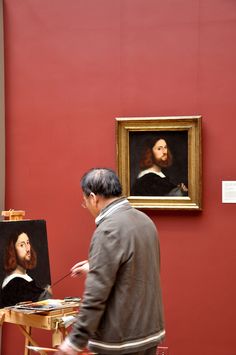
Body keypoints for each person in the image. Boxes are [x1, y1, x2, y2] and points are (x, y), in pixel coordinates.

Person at [56, 168, 165, 355]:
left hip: (122, 340)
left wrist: (75, 341)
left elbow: (96, 294)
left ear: (93, 197)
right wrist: (95, 266)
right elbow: (135, 269)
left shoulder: (108, 229)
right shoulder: (144, 220)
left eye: (85, 202)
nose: (87, 207)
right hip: (149, 331)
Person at [0, 229, 52, 307]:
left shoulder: (25, 278)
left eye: (28, 243)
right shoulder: (14, 283)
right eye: (22, 245)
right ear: (13, 250)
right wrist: (48, 293)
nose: (28, 249)